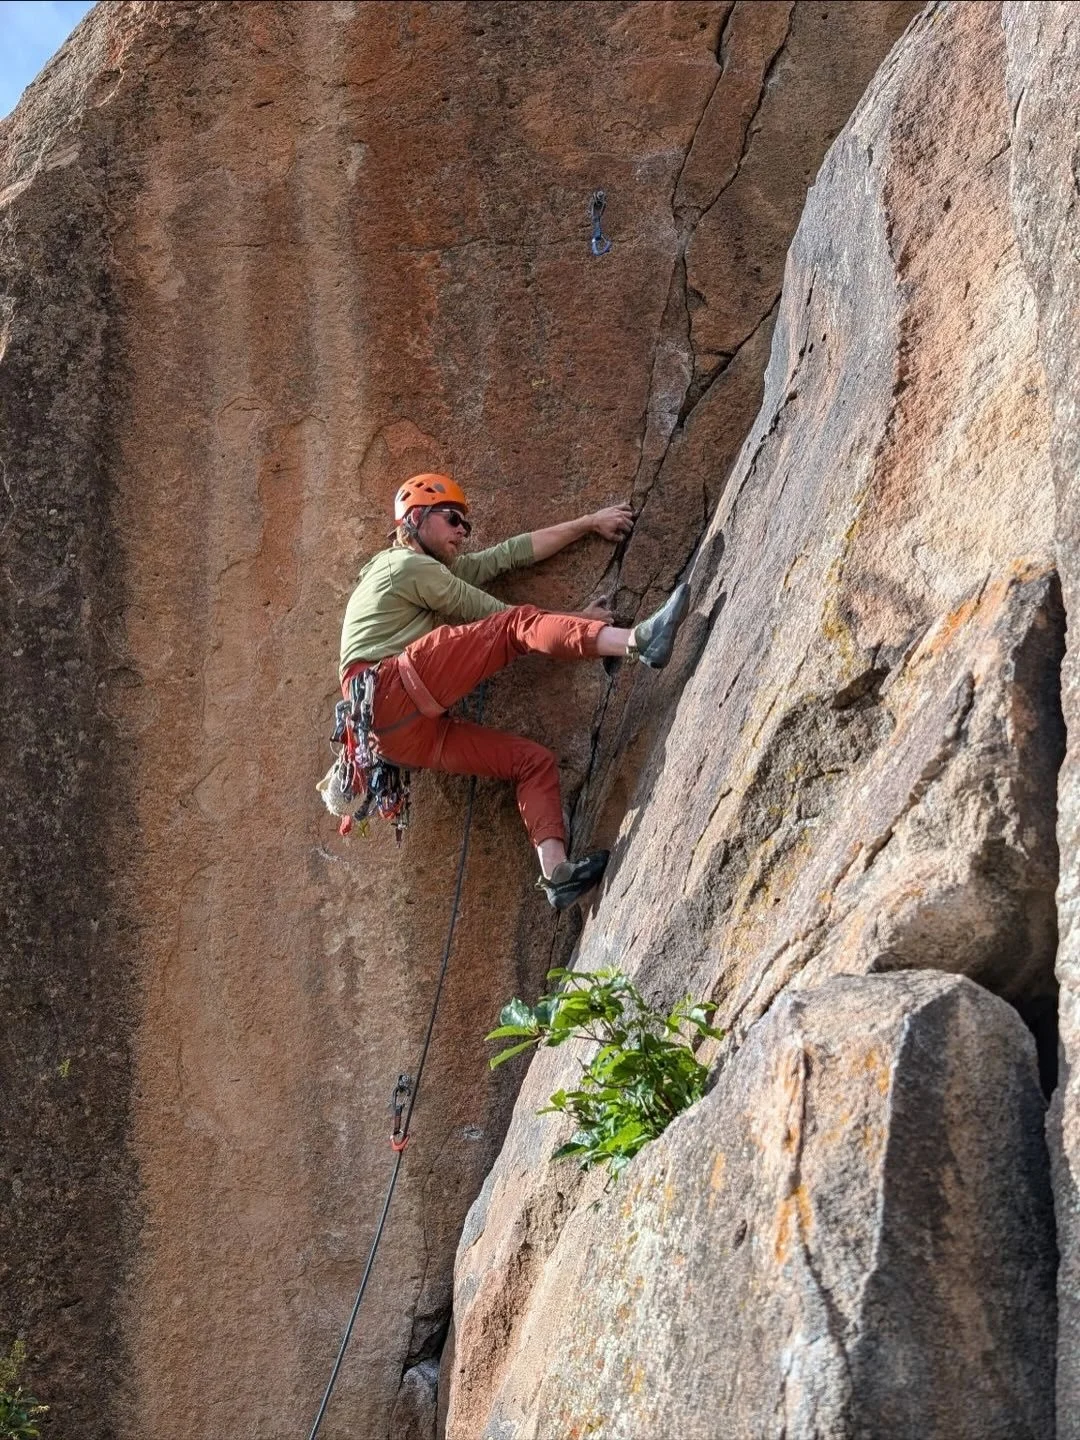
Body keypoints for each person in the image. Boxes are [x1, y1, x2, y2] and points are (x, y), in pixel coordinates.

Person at [338, 473, 690, 908]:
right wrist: (577, 620)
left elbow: (505, 556)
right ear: (415, 519)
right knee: (515, 625)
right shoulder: (404, 566)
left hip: (393, 740)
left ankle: (557, 874)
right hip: (389, 686)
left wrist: (587, 523)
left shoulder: (425, 569)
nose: (462, 532)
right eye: (452, 519)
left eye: (465, 525)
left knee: (532, 762)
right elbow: (497, 616)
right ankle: (638, 641)